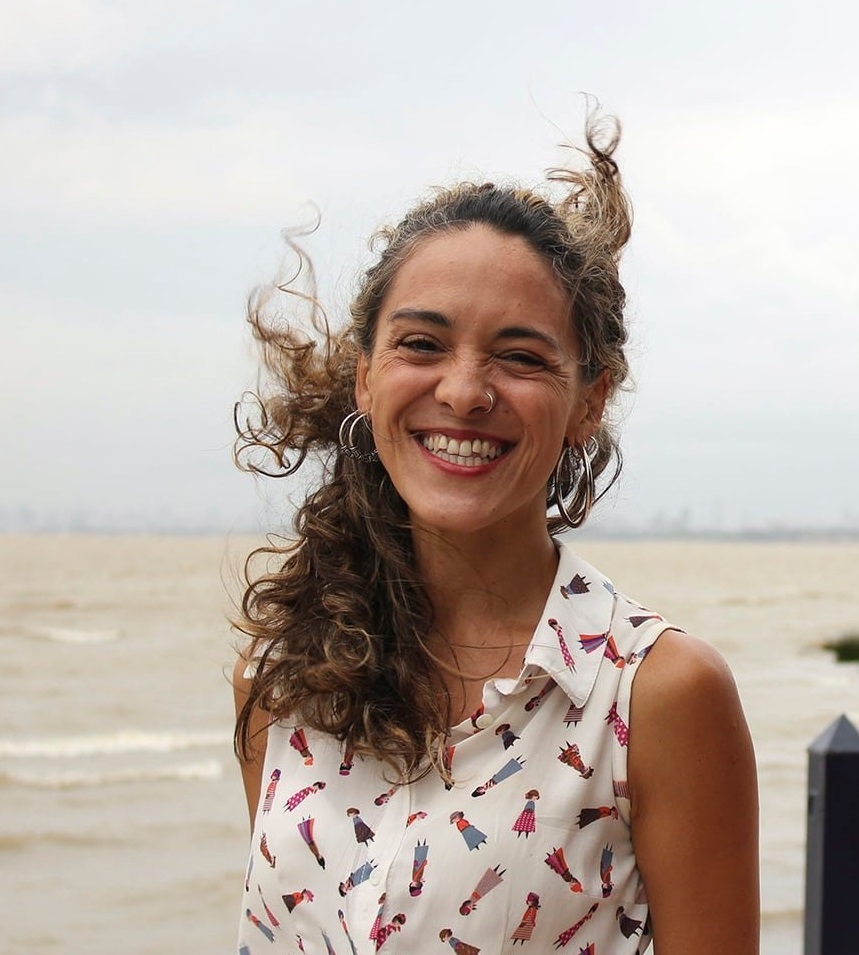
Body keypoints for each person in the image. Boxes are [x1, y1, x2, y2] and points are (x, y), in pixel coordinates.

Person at [232, 111, 759, 955]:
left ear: (589, 399)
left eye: (519, 356)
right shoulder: (280, 677)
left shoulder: (655, 695)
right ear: (365, 378)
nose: (467, 391)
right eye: (421, 344)